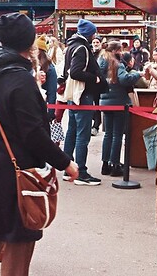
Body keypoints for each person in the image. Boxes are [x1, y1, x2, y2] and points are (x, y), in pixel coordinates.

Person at [0, 12, 78, 276]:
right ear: (28, 44)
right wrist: (65, 162)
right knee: (19, 239)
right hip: (12, 173)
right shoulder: (18, 78)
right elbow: (33, 133)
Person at [61, 18, 107, 186]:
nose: (95, 35)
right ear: (89, 33)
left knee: (72, 131)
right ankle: (81, 171)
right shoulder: (82, 48)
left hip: (73, 95)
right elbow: (75, 72)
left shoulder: (71, 46)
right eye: (93, 32)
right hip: (83, 95)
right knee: (82, 134)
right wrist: (94, 78)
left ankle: (68, 168)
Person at [98, 41, 144, 176]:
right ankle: (115, 164)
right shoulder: (117, 64)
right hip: (119, 102)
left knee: (108, 134)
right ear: (116, 50)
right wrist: (138, 74)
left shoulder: (101, 62)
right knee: (117, 135)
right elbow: (125, 79)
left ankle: (105, 164)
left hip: (105, 101)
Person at [91, 36, 103, 136]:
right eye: (94, 42)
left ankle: (96, 125)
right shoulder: (90, 53)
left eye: (97, 42)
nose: (95, 44)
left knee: (97, 105)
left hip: (99, 83)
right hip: (92, 82)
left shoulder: (102, 54)